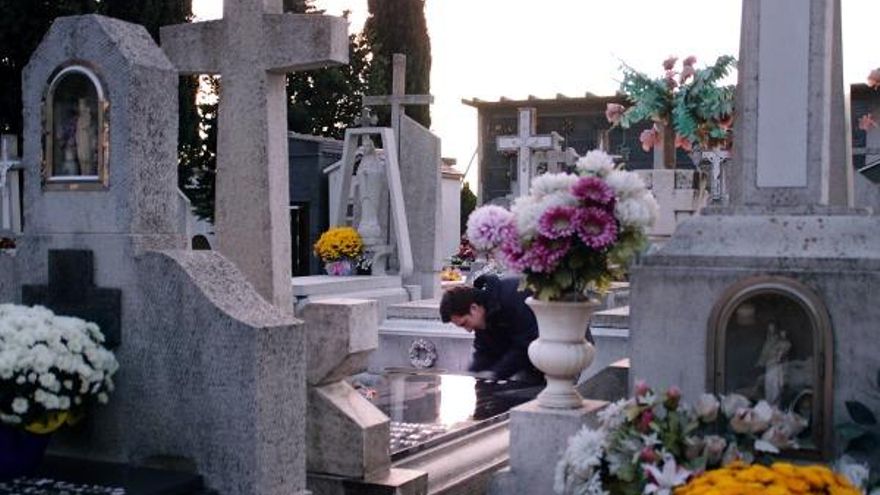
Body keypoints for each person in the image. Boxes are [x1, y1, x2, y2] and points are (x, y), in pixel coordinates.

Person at [439, 274, 543, 383]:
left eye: (465, 323)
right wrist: (474, 374)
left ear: (473, 308)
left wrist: (496, 374)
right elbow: (485, 352)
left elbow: (526, 343)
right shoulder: (485, 312)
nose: (468, 330)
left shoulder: (513, 297)